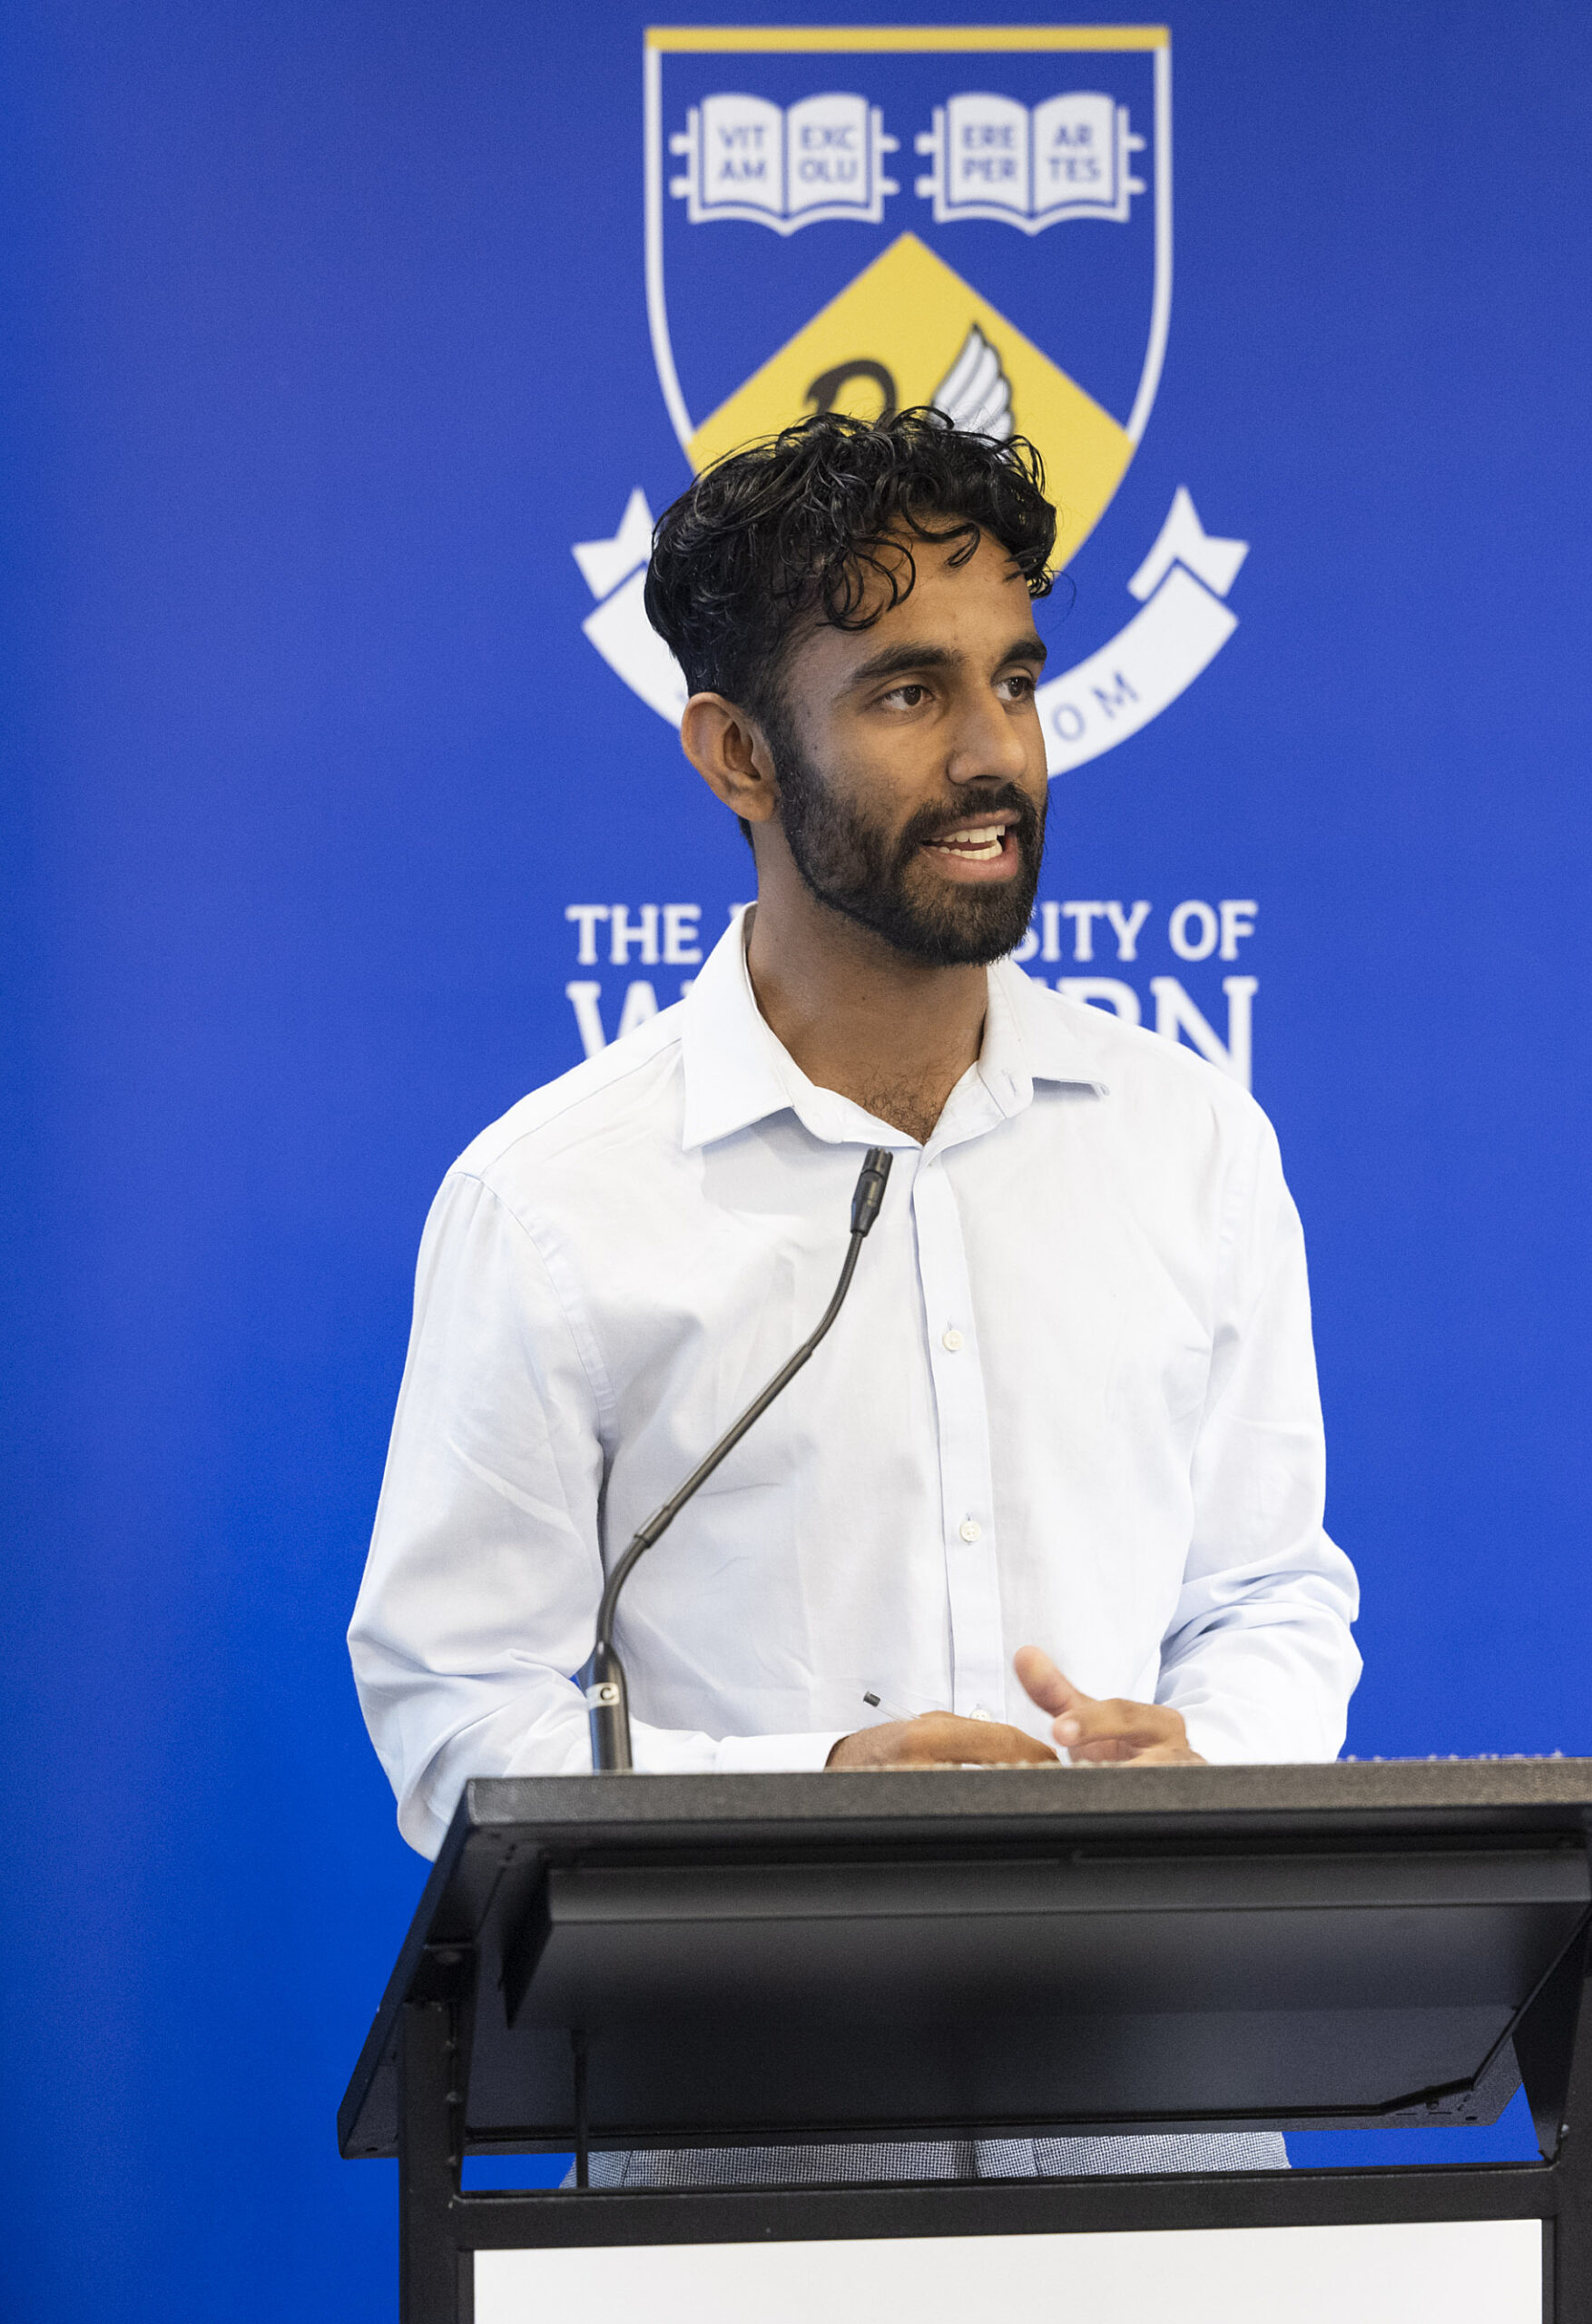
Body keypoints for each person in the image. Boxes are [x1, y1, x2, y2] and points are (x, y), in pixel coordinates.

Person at [344, 408, 1361, 2183]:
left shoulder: (1194, 1141)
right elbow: (456, 1705)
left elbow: (1273, 1591)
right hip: (743, 2187)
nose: (996, 758)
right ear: (737, 755)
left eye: (1018, 680)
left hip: (1166, 2178)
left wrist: (1204, 1762)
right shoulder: (559, 1197)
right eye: (907, 692)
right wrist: (810, 1787)